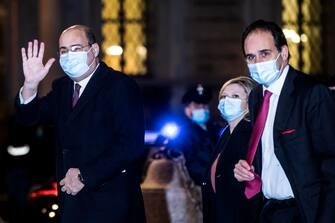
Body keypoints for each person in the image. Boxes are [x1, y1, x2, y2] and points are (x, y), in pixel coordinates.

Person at [15, 25, 146, 223]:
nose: (69, 56)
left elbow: (130, 145)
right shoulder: (63, 88)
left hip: (111, 205)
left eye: (76, 48)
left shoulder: (119, 86)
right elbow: (29, 117)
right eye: (63, 51)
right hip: (73, 205)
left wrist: (85, 175)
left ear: (94, 50)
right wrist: (31, 85)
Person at [233, 19, 335, 223]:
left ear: (284, 53)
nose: (258, 63)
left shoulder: (311, 93)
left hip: (303, 211)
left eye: (265, 54)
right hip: (267, 210)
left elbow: (331, 166)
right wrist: (247, 170)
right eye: (251, 57)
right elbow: (266, 152)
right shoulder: (256, 96)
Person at [202, 76, 257, 223]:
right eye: (224, 96)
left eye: (235, 96)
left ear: (248, 103)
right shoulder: (226, 132)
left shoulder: (250, 134)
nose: (227, 101)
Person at [168, 84, 222, 186]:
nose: (202, 108)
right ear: (187, 109)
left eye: (204, 105)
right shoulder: (181, 133)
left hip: (219, 184)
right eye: (197, 106)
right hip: (195, 186)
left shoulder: (218, 129)